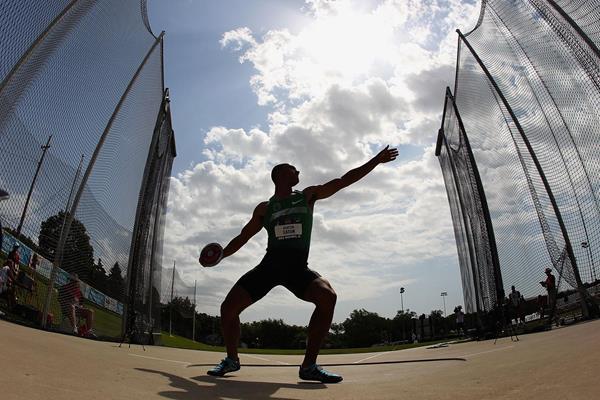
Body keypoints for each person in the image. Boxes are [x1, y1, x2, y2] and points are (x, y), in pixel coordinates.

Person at [202, 145, 398, 383]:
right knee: (228, 308)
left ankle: (309, 366)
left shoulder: (308, 196)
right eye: (294, 169)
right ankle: (231, 360)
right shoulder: (265, 208)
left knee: (327, 296)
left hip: (297, 268)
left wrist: (375, 160)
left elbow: (343, 180)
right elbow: (243, 236)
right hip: (270, 266)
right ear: (281, 175)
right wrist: (223, 254)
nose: (299, 172)